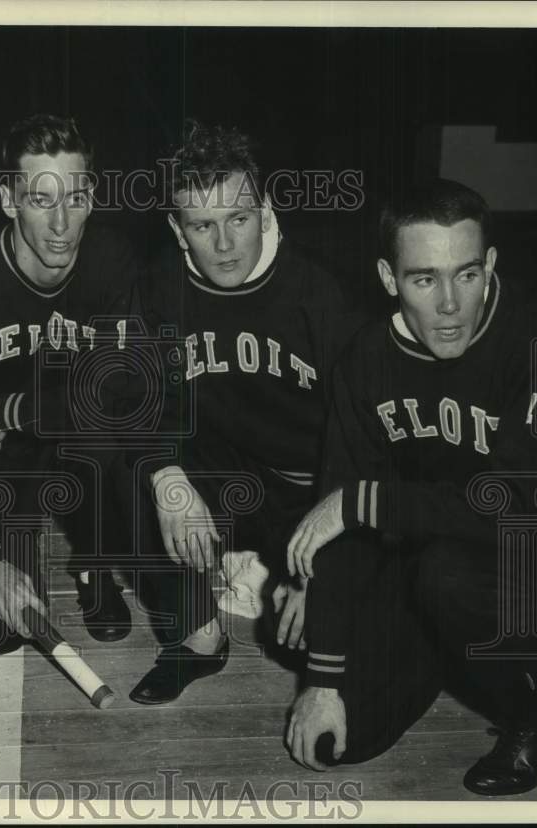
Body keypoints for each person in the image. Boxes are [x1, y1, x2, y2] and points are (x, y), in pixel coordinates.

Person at [284, 178, 537, 796]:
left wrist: (371, 504)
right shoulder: (366, 359)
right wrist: (323, 679)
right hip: (424, 561)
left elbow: (525, 507)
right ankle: (444, 650)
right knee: (345, 738)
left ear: (490, 265)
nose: (449, 303)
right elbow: (334, 511)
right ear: (390, 279)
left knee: (446, 576)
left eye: (466, 275)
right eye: (424, 279)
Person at [128, 121, 350, 704]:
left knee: (317, 643)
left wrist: (325, 564)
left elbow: (365, 438)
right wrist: (167, 476)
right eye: (203, 225)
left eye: (239, 220)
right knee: (125, 462)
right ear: (178, 230)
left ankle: (261, 563)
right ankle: (200, 638)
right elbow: (134, 401)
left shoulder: (322, 295)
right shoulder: (157, 289)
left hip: (310, 496)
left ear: (267, 212)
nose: (225, 244)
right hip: (220, 475)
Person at [0, 114, 136, 643]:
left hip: (75, 437)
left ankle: (94, 564)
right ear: (9, 200)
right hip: (1, 457)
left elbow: (117, 396)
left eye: (75, 198)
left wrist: (9, 409)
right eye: (42, 200)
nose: (63, 224)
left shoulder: (113, 261)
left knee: (116, 434)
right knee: (2, 628)